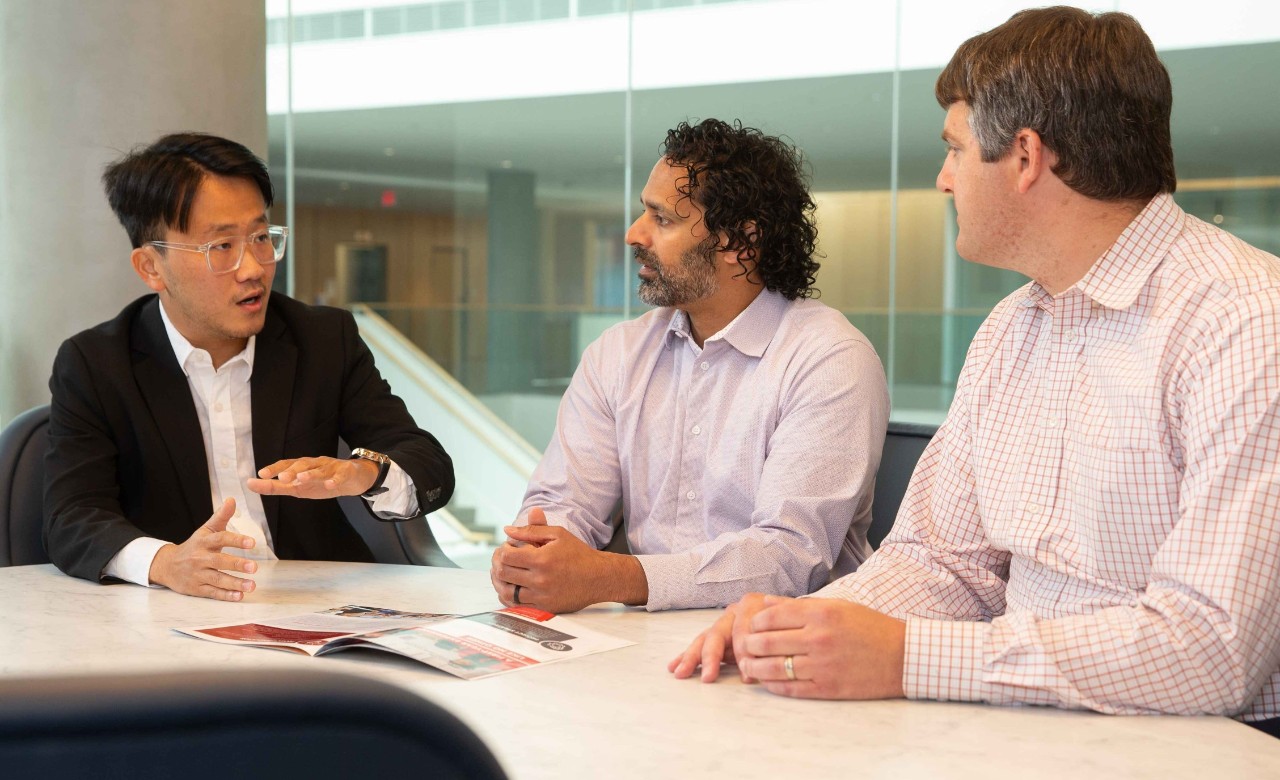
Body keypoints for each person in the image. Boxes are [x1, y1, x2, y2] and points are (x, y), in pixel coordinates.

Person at [669, 7, 1280, 735]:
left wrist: (906, 658)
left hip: (1203, 746)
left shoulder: (1245, 320)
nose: (943, 179)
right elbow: (942, 562)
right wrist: (800, 626)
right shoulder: (1010, 329)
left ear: (1024, 156)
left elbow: (1211, 651)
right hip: (1028, 725)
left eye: (955, 149)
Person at [489, 119, 889, 613]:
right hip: (639, 641)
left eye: (663, 219)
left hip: (778, 645)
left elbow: (790, 556)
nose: (634, 234)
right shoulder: (618, 353)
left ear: (741, 240)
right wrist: (539, 556)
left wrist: (611, 577)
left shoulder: (830, 359)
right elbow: (563, 503)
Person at [44, 133, 454, 601]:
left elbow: (429, 466)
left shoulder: (322, 339)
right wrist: (166, 563)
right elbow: (70, 516)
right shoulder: (97, 363)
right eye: (222, 246)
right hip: (174, 613)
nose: (253, 268)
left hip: (315, 607)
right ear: (151, 267)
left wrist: (364, 473)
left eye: (261, 237)